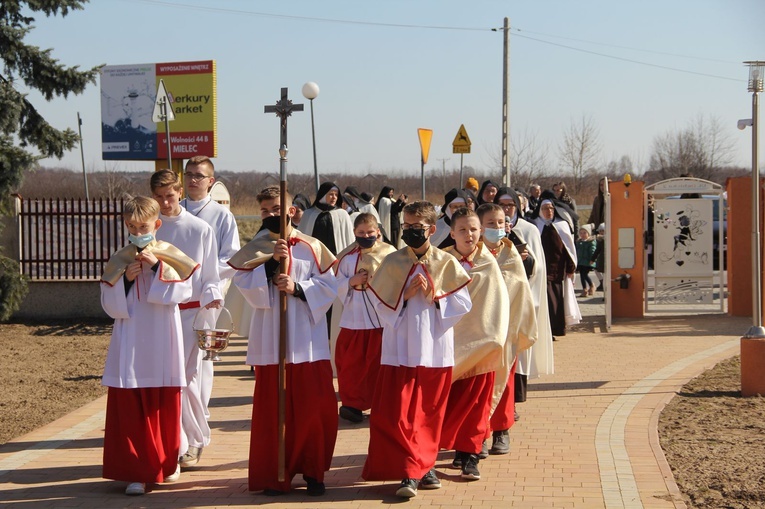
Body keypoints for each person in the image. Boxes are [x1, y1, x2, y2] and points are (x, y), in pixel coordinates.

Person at [229, 186, 338, 496]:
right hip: (271, 342)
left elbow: (329, 285)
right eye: (265, 210)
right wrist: (270, 265)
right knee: (274, 413)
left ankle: (314, 470)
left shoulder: (312, 247)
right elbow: (244, 285)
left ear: (291, 211)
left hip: (307, 341)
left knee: (314, 409)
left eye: (276, 208)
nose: (271, 215)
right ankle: (277, 475)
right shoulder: (257, 247)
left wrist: (298, 287)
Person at [362, 201, 471, 499]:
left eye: (416, 228)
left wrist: (435, 295)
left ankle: (425, 466)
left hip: (434, 350)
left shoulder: (447, 263)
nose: (410, 232)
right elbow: (379, 304)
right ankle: (409, 470)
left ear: (432, 230)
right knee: (400, 413)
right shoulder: (393, 262)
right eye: (406, 227)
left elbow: (463, 304)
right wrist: (405, 296)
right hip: (400, 349)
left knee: (429, 413)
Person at [100, 196, 197, 496]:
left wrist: (158, 270)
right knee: (132, 405)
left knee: (163, 401)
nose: (136, 231)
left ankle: (167, 462)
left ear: (156, 225)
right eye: (131, 226)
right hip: (130, 340)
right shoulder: (120, 258)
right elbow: (108, 303)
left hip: (162, 338)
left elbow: (184, 291)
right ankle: (137, 470)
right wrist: (126, 282)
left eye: (142, 226)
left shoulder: (170, 254)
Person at [150, 169, 223, 471]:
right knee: (166, 381)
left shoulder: (199, 228)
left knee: (188, 380)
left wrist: (212, 298)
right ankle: (174, 441)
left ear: (179, 192)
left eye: (170, 196)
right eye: (159, 197)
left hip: (192, 313)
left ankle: (194, 440)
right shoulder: (150, 229)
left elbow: (210, 276)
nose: (165, 203)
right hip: (159, 314)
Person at [439, 208, 510, 481]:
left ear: (480, 231)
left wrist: (492, 338)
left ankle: (471, 455)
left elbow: (497, 305)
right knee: (453, 403)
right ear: (452, 233)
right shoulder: (443, 260)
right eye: (462, 230)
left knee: (477, 404)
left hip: (481, 345)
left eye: (473, 229)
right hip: (451, 347)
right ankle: (457, 448)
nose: (468, 234)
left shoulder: (488, 262)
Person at [181, 156, 241, 433]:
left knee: (200, 359)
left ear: (211, 182)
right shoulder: (173, 210)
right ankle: (178, 420)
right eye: (189, 174)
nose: (193, 180)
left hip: (205, 297)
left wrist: (199, 274)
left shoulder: (220, 215)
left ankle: (199, 417)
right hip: (173, 295)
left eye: (199, 175)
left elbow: (230, 258)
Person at [476, 202, 537, 455]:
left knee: (505, 383)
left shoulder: (512, 254)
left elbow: (520, 290)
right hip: (479, 332)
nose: (496, 227)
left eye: (500, 223)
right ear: (479, 227)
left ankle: (502, 430)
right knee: (479, 386)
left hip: (507, 331)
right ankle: (477, 435)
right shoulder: (472, 255)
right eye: (490, 223)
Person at [495, 187, 554, 413]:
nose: (506, 209)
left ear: (517, 207)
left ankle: (513, 402)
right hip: (496, 301)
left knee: (518, 350)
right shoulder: (487, 229)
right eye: (502, 204)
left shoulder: (528, 230)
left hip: (521, 297)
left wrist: (524, 260)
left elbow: (537, 267)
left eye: (510, 205)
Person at [334, 213, 397, 423]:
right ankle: (352, 404)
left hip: (380, 318)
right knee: (351, 363)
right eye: (361, 233)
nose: (366, 235)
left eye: (370, 232)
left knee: (378, 362)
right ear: (354, 233)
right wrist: (351, 282)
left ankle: (381, 403)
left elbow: (397, 280)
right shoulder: (346, 257)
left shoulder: (390, 253)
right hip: (354, 315)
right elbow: (333, 283)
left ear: (378, 232)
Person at [529, 193, 580, 338]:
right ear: (540, 210)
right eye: (545, 208)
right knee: (542, 301)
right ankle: (543, 330)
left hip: (557, 270)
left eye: (551, 208)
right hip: (539, 270)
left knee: (555, 302)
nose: (548, 211)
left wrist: (571, 266)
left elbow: (569, 248)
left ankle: (555, 329)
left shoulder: (561, 225)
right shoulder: (534, 226)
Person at [299, 181, 354, 255]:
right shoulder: (309, 214)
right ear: (323, 195)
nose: (334, 197)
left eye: (336, 195)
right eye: (331, 194)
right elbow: (301, 238)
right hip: (314, 257)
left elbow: (350, 239)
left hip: (337, 258)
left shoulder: (342, 214)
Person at [576, 225, 597, 297]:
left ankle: (591, 285)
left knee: (584, 274)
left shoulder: (591, 242)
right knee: (582, 275)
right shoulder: (578, 242)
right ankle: (584, 290)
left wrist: (592, 259)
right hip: (580, 261)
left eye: (584, 233)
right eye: (581, 233)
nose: (583, 235)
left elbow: (593, 251)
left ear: (588, 233)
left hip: (588, 261)